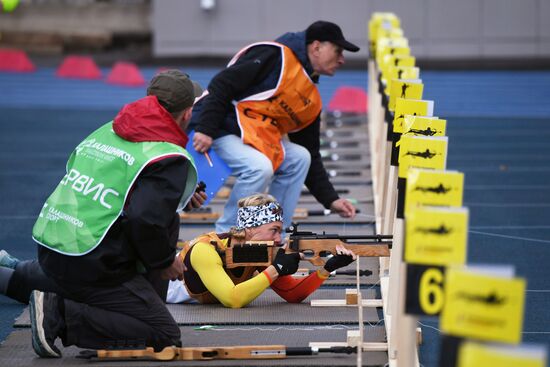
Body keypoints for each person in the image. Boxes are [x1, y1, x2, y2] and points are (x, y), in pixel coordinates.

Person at [8, 70, 206, 358]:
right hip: (92, 260)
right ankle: (59, 313)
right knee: (164, 336)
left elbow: (113, 187)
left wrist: (173, 198)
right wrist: (165, 260)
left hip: (55, 243)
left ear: (150, 100)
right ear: (187, 114)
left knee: (167, 218)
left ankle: (132, 304)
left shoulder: (111, 129)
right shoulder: (167, 155)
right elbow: (144, 219)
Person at [190, 20, 360, 232]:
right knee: (259, 167)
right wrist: (206, 129)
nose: (342, 59)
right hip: (218, 129)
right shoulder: (274, 55)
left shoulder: (310, 97)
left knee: (300, 157)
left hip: (252, 138)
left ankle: (274, 233)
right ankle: (227, 235)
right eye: (338, 51)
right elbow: (222, 84)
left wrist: (331, 199)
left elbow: (312, 153)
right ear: (316, 47)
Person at [169, 193, 357, 308]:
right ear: (250, 228)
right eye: (273, 230)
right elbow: (233, 300)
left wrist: (327, 269)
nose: (278, 239)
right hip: (152, 293)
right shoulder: (205, 250)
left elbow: (292, 293)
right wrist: (276, 268)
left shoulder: (259, 252)